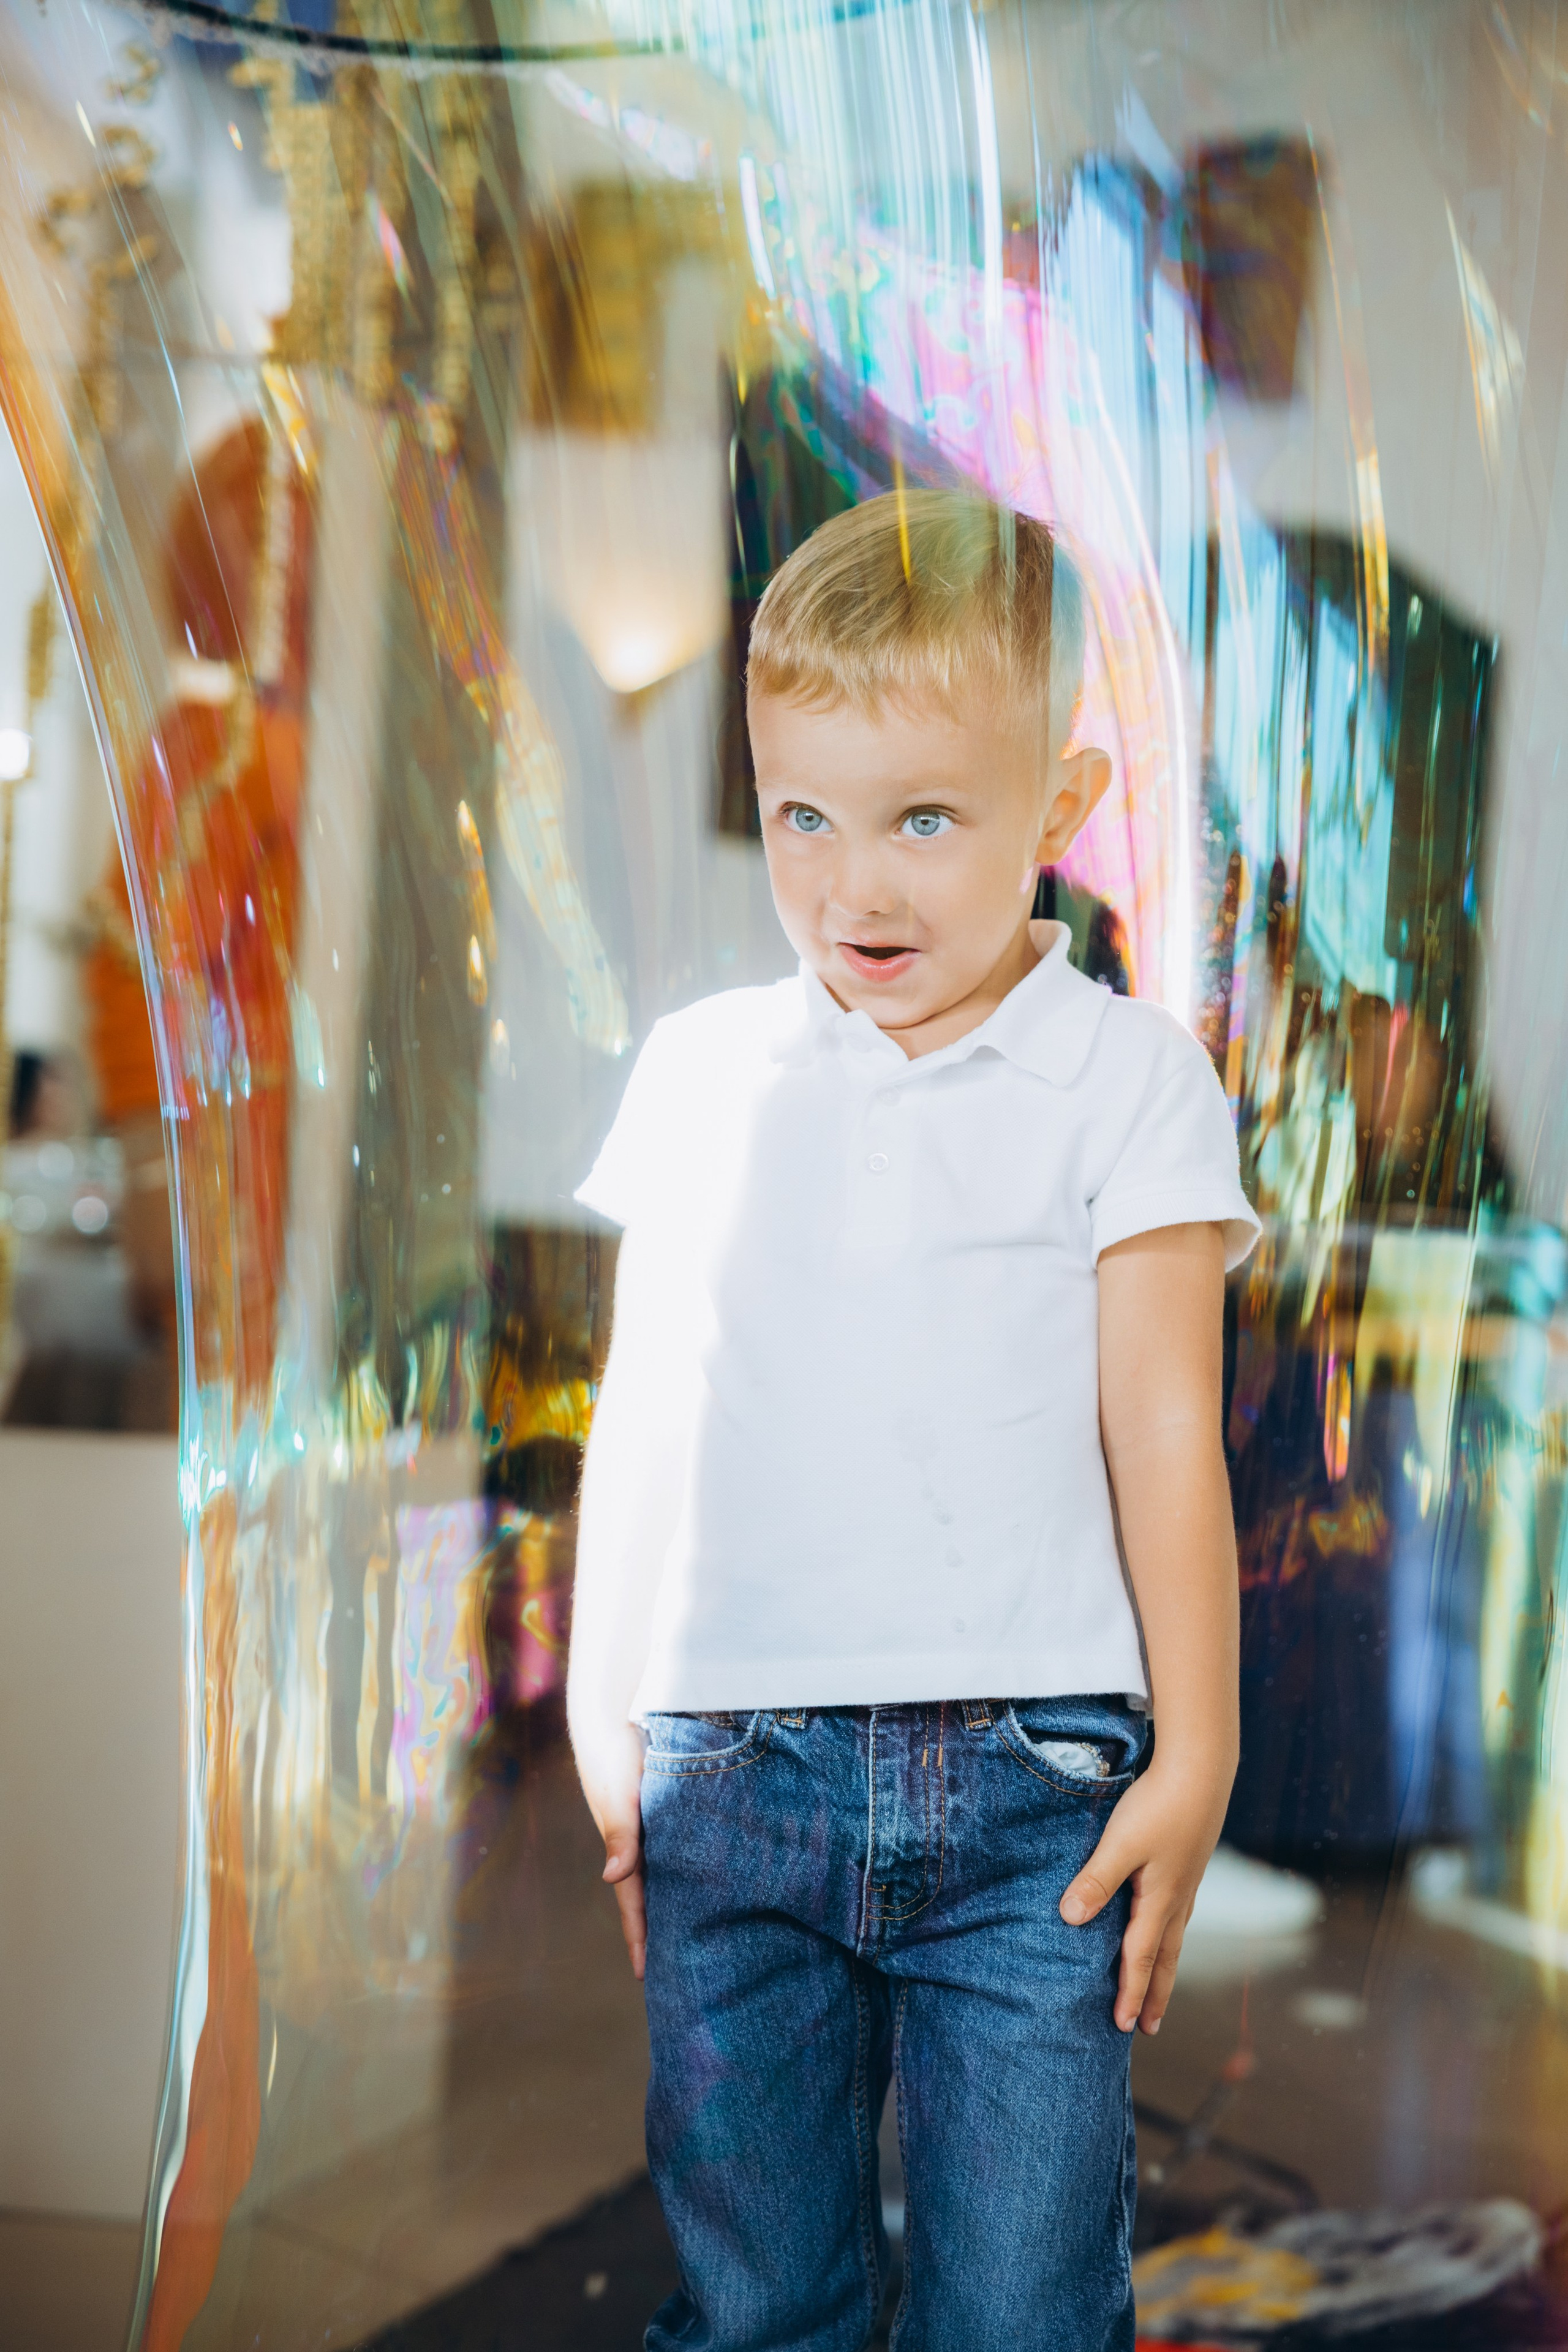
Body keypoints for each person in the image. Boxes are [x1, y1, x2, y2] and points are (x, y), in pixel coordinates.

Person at [567, 489, 1261, 2352]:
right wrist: (595, 1693)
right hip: (733, 1770)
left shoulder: (1129, 1081)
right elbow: (651, 1401)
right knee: (757, 2303)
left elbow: (1163, 1434)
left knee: (1025, 2311)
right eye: (806, 813)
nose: (853, 887)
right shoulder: (709, 1072)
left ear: (1060, 802)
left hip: (1036, 1796)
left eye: (926, 820)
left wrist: (1193, 1757)